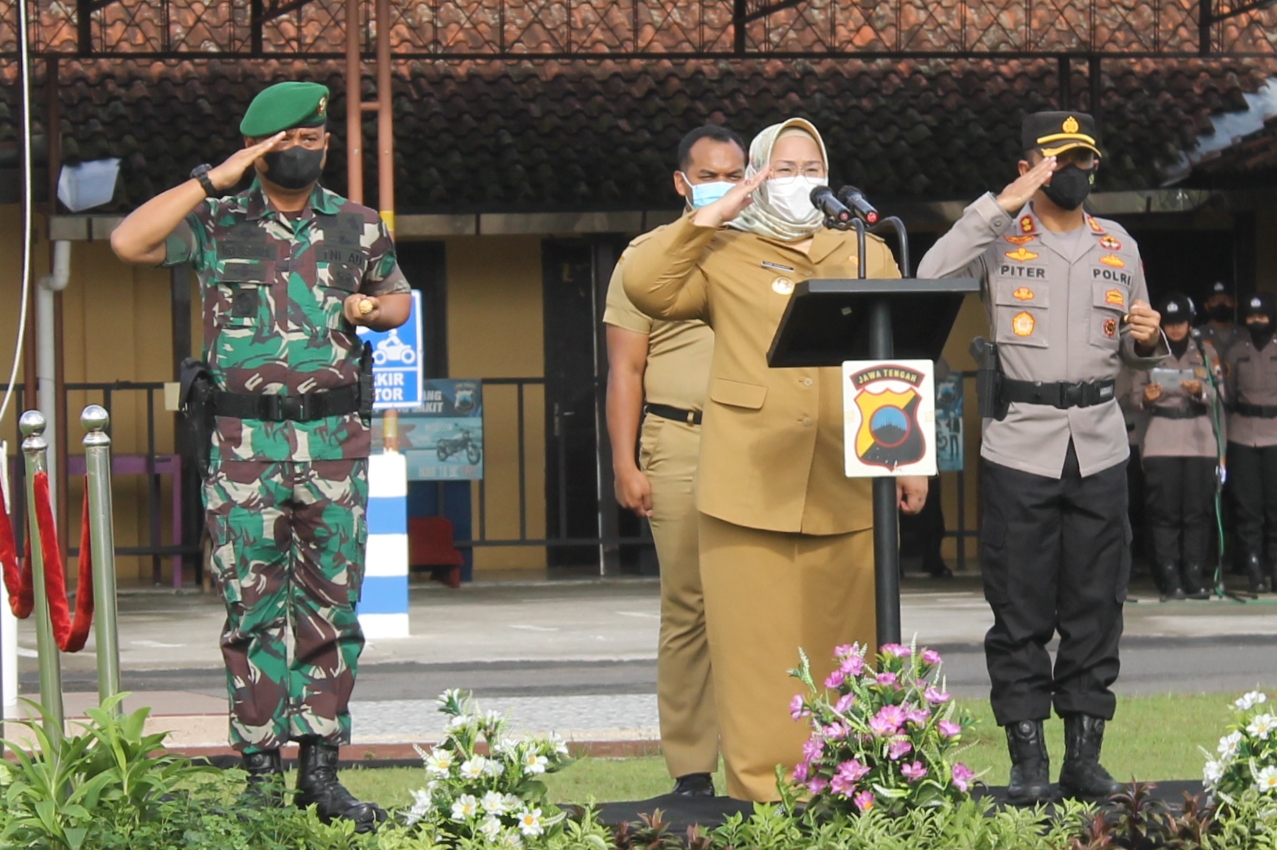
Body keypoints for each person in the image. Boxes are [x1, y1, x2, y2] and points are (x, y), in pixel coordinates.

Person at [110, 81, 411, 830]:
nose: (305, 151)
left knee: (331, 611)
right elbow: (128, 242)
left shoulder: (356, 224)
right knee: (251, 613)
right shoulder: (215, 223)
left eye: (315, 141)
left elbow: (398, 295)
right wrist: (215, 178)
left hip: (333, 449)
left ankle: (320, 771)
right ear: (260, 147)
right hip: (243, 450)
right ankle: (258, 773)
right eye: (289, 142)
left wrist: (376, 310)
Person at [622, 117, 927, 802]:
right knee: (754, 654)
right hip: (747, 477)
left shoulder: (865, 250)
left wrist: (911, 458)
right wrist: (713, 217)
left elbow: (896, 356)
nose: (798, 182)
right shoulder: (721, 252)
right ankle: (760, 795)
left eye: (809, 167)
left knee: (845, 646)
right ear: (757, 174)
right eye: (781, 169)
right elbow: (646, 286)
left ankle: (850, 783)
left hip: (846, 476)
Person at [917, 111, 1165, 805]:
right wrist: (1001, 202)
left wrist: (1145, 340)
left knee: (1095, 607)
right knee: (1019, 608)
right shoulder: (1000, 233)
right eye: (1058, 160)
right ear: (1030, 163)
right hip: (1020, 441)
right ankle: (1026, 757)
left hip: (1098, 441)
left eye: (1083, 158)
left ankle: (1083, 757)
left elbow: (1133, 343)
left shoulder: (1117, 244)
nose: (1073, 172)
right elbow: (931, 273)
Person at [604, 124, 747, 797]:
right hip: (679, 442)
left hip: (757, 443)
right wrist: (624, 462)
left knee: (757, 604)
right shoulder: (647, 257)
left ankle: (767, 763)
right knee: (688, 606)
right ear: (681, 182)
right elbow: (625, 370)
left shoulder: (766, 252)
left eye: (735, 170)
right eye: (710, 172)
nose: (723, 181)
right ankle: (692, 773)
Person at [1132, 294, 1223, 601]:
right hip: (1162, 438)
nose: (1174, 329)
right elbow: (1134, 397)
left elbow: (1221, 392)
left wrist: (1202, 390)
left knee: (1197, 512)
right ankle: (1170, 578)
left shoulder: (1206, 353)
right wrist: (1148, 395)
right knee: (1164, 513)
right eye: (1169, 323)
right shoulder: (1150, 352)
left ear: (1190, 322)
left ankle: (1194, 576)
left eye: (1180, 323)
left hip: (1199, 438)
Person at [1225, 293, 1277, 593]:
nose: (1257, 322)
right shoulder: (1235, 351)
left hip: (1275, 436)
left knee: (1275, 506)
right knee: (1248, 508)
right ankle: (1254, 567)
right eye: (1252, 317)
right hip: (1243, 435)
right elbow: (1229, 394)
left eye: (1263, 317)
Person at [1199, 281, 1243, 357]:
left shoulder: (1245, 335)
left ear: (1235, 304)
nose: (1221, 305)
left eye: (1226, 300)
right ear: (1206, 306)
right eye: (1215, 301)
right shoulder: (1197, 336)